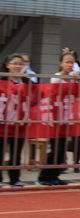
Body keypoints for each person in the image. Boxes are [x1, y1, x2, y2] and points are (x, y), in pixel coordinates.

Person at [38, 51, 79, 186]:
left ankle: (54, 174)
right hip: (56, 117)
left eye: (72, 62)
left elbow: (77, 95)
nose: (69, 64)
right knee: (56, 148)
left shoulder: (74, 78)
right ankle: (45, 176)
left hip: (67, 117)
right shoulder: (56, 77)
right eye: (67, 62)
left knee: (62, 149)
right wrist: (68, 81)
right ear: (61, 63)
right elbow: (54, 93)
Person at [0, 54, 31, 187]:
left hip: (19, 123)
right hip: (2, 122)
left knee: (16, 153)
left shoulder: (26, 82)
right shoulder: (2, 80)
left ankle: (15, 178)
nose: (17, 66)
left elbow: (36, 91)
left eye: (20, 64)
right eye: (14, 63)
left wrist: (24, 77)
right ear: (8, 65)